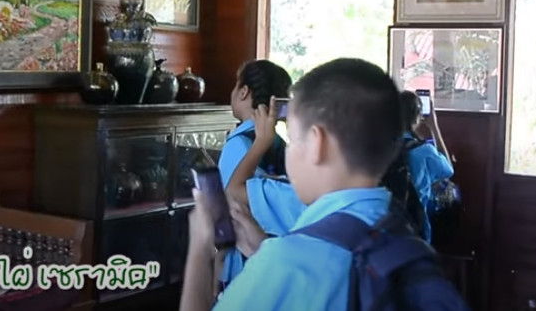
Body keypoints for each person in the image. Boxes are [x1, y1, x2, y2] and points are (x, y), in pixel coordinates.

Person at [180, 58, 460, 311]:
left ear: (317, 143)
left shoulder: (286, 262)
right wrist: (262, 249)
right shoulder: (412, 245)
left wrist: (200, 250)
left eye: (292, 139)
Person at [214, 60, 303, 291]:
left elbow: (233, 199)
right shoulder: (277, 143)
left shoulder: (238, 144)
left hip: (249, 262)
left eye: (236, 85)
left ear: (243, 91)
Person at [397, 90, 456, 243]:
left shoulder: (379, 148)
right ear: (418, 117)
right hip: (414, 230)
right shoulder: (424, 151)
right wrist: (434, 127)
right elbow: (448, 170)